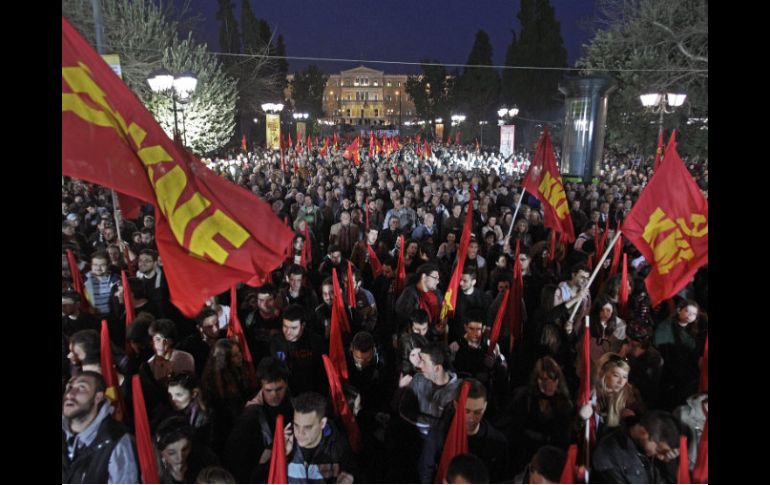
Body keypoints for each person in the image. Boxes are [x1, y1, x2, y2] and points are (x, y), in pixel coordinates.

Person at [420, 379, 509, 483]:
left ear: (485, 407)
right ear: (456, 405)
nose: (471, 418)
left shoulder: (497, 443)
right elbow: (426, 472)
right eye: (466, 411)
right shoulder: (438, 434)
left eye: (477, 412)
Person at [224, 357, 294, 483]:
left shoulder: (292, 403)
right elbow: (235, 457)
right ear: (261, 386)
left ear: (286, 384)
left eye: (279, 389)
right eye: (268, 390)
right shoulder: (250, 416)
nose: (274, 395)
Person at [62, 371, 139, 483]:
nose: (70, 394)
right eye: (69, 387)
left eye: (81, 388)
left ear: (98, 397)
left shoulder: (116, 440)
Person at [592, 410, 685, 483]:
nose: (659, 456)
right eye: (658, 450)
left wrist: (668, 463)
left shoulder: (646, 451)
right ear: (643, 432)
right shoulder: (608, 453)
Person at [284, 392, 357, 483]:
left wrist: (351, 478)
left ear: (322, 423)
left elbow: (357, 473)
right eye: (296, 425)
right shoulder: (283, 442)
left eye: (307, 427)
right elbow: (263, 477)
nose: (300, 433)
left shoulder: (339, 449)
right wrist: (282, 455)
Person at [154, 416, 219, 483]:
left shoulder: (205, 460)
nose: (180, 458)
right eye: (171, 453)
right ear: (161, 452)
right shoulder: (151, 471)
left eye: (185, 449)